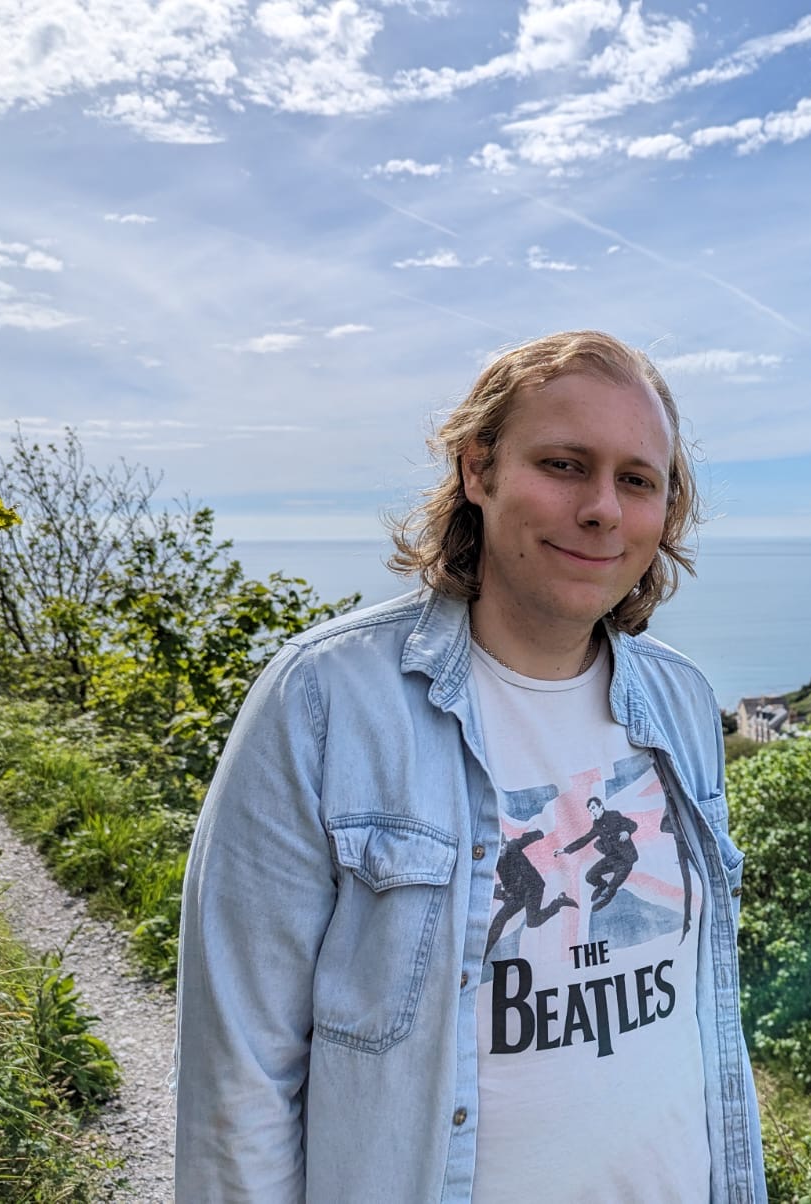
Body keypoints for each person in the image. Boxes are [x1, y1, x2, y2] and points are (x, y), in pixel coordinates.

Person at [174, 330, 765, 1202]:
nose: (603, 507)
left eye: (637, 480)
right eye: (565, 464)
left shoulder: (681, 702)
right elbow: (240, 1078)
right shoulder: (328, 700)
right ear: (477, 471)